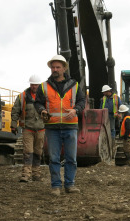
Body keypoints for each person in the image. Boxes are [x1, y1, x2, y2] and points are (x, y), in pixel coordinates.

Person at [34, 55, 85, 196]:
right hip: (52, 128)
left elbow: (82, 101)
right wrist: (42, 110)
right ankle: (56, 186)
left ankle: (70, 184)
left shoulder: (74, 85)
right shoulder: (44, 86)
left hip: (70, 126)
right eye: (53, 67)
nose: (55, 69)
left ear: (64, 68)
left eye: (57, 67)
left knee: (71, 158)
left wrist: (75, 110)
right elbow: (37, 103)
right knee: (54, 158)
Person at [11, 74, 45, 182]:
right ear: (30, 84)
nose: (34, 87)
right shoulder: (23, 97)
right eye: (33, 84)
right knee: (28, 151)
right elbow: (16, 110)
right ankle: (26, 174)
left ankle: (36, 174)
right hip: (28, 129)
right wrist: (13, 124)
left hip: (41, 128)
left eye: (36, 85)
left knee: (38, 152)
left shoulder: (45, 97)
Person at [99, 85, 122, 153]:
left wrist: (119, 114)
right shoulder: (103, 98)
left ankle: (112, 143)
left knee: (112, 129)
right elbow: (101, 107)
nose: (103, 93)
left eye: (104, 92)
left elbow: (120, 106)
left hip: (112, 115)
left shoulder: (116, 97)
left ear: (108, 91)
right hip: (104, 115)